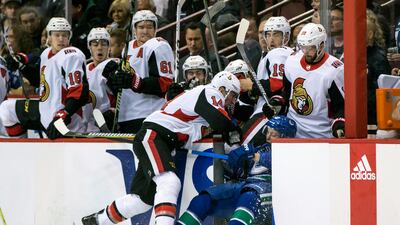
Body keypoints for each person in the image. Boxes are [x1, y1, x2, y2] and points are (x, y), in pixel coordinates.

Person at [81, 71, 243, 225]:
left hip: (161, 141)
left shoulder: (204, 114)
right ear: (222, 89)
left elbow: (196, 131)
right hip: (155, 136)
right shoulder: (210, 92)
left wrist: (231, 132)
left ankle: (97, 221)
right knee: (169, 182)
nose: (233, 101)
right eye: (233, 95)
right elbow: (221, 122)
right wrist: (232, 129)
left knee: (142, 200)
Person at [177, 116, 297, 225]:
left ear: (284, 136)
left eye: (273, 134)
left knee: (248, 197)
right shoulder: (262, 147)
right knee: (203, 200)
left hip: (268, 190)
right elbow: (242, 172)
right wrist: (235, 163)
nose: (268, 137)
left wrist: (251, 155)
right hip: (246, 185)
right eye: (268, 132)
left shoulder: (291, 152)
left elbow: (273, 160)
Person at [0, 17, 89, 139]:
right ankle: (20, 151)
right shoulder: (46, 54)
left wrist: (63, 114)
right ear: (49, 37)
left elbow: (80, 92)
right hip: (45, 112)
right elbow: (39, 81)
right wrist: (21, 66)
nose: (61, 39)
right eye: (57, 35)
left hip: (67, 120)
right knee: (7, 109)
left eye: (64, 35)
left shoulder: (72, 55)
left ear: (70, 37)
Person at [105, 10, 174, 133]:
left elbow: (165, 84)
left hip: (149, 114)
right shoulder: (128, 47)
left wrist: (135, 82)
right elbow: (125, 84)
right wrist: (113, 77)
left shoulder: (159, 46)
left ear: (155, 28)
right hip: (126, 115)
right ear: (134, 29)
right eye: (141, 27)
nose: (145, 31)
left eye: (149, 27)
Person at [280, 22, 345, 138]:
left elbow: (342, 106)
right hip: (293, 131)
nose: (305, 52)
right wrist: (278, 103)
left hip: (321, 135)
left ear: (321, 46)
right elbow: (286, 92)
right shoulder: (291, 61)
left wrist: (339, 123)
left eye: (310, 48)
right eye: (303, 47)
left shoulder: (335, 70)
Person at [241, 16, 293, 146]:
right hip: (272, 111)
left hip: (268, 113)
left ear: (286, 37)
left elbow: (277, 86)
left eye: (276, 34)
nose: (271, 39)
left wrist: (252, 86)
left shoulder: (279, 53)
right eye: (268, 34)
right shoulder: (273, 55)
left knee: (242, 148)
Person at [83, 27, 119, 132]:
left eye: (104, 44)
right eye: (95, 44)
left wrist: (115, 113)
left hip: (108, 125)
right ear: (89, 47)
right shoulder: (84, 69)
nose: (99, 48)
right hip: (87, 126)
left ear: (109, 47)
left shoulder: (114, 65)